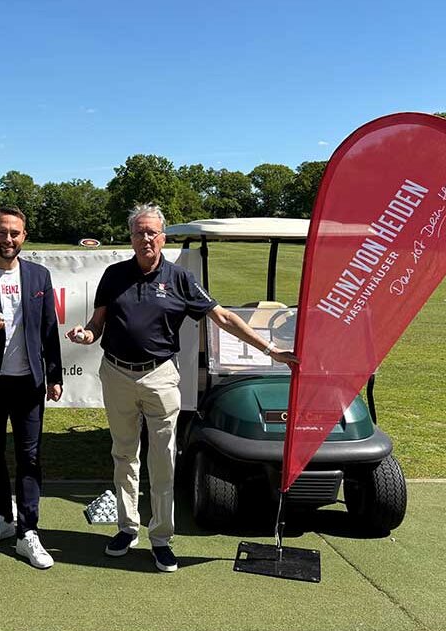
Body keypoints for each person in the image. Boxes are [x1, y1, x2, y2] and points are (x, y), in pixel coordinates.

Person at [66, 204, 297, 573]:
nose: (146, 239)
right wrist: (86, 334)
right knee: (124, 455)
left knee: (162, 460)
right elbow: (98, 324)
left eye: (152, 232)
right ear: (131, 237)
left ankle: (160, 538)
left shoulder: (179, 279)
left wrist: (270, 349)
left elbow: (221, 317)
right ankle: (127, 529)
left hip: (160, 377)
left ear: (162, 237)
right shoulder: (113, 275)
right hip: (116, 374)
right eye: (139, 232)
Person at [0, 207, 63, 569]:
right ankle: (2, 517)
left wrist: (56, 375)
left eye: (14, 233)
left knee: (30, 457)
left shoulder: (39, 276)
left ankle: (28, 532)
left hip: (29, 382)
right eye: (2, 232)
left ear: (24, 236)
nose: (8, 239)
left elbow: (50, 328)